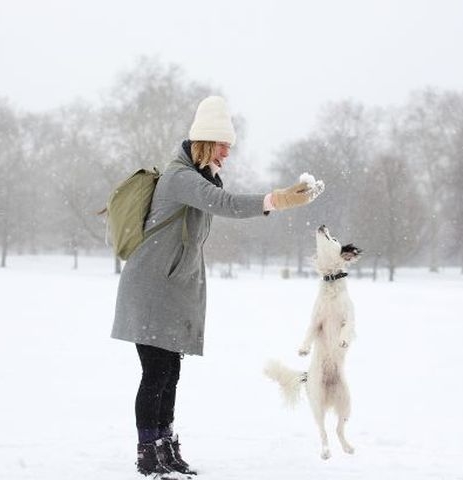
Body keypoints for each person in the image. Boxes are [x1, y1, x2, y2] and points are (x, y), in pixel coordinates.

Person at [111, 96, 322, 477]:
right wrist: (276, 199)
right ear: (206, 141)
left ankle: (166, 446)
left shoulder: (197, 177)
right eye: (224, 144)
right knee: (156, 373)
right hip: (150, 289)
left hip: (169, 290)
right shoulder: (180, 178)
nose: (227, 153)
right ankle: (149, 453)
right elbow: (223, 203)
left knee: (169, 372)